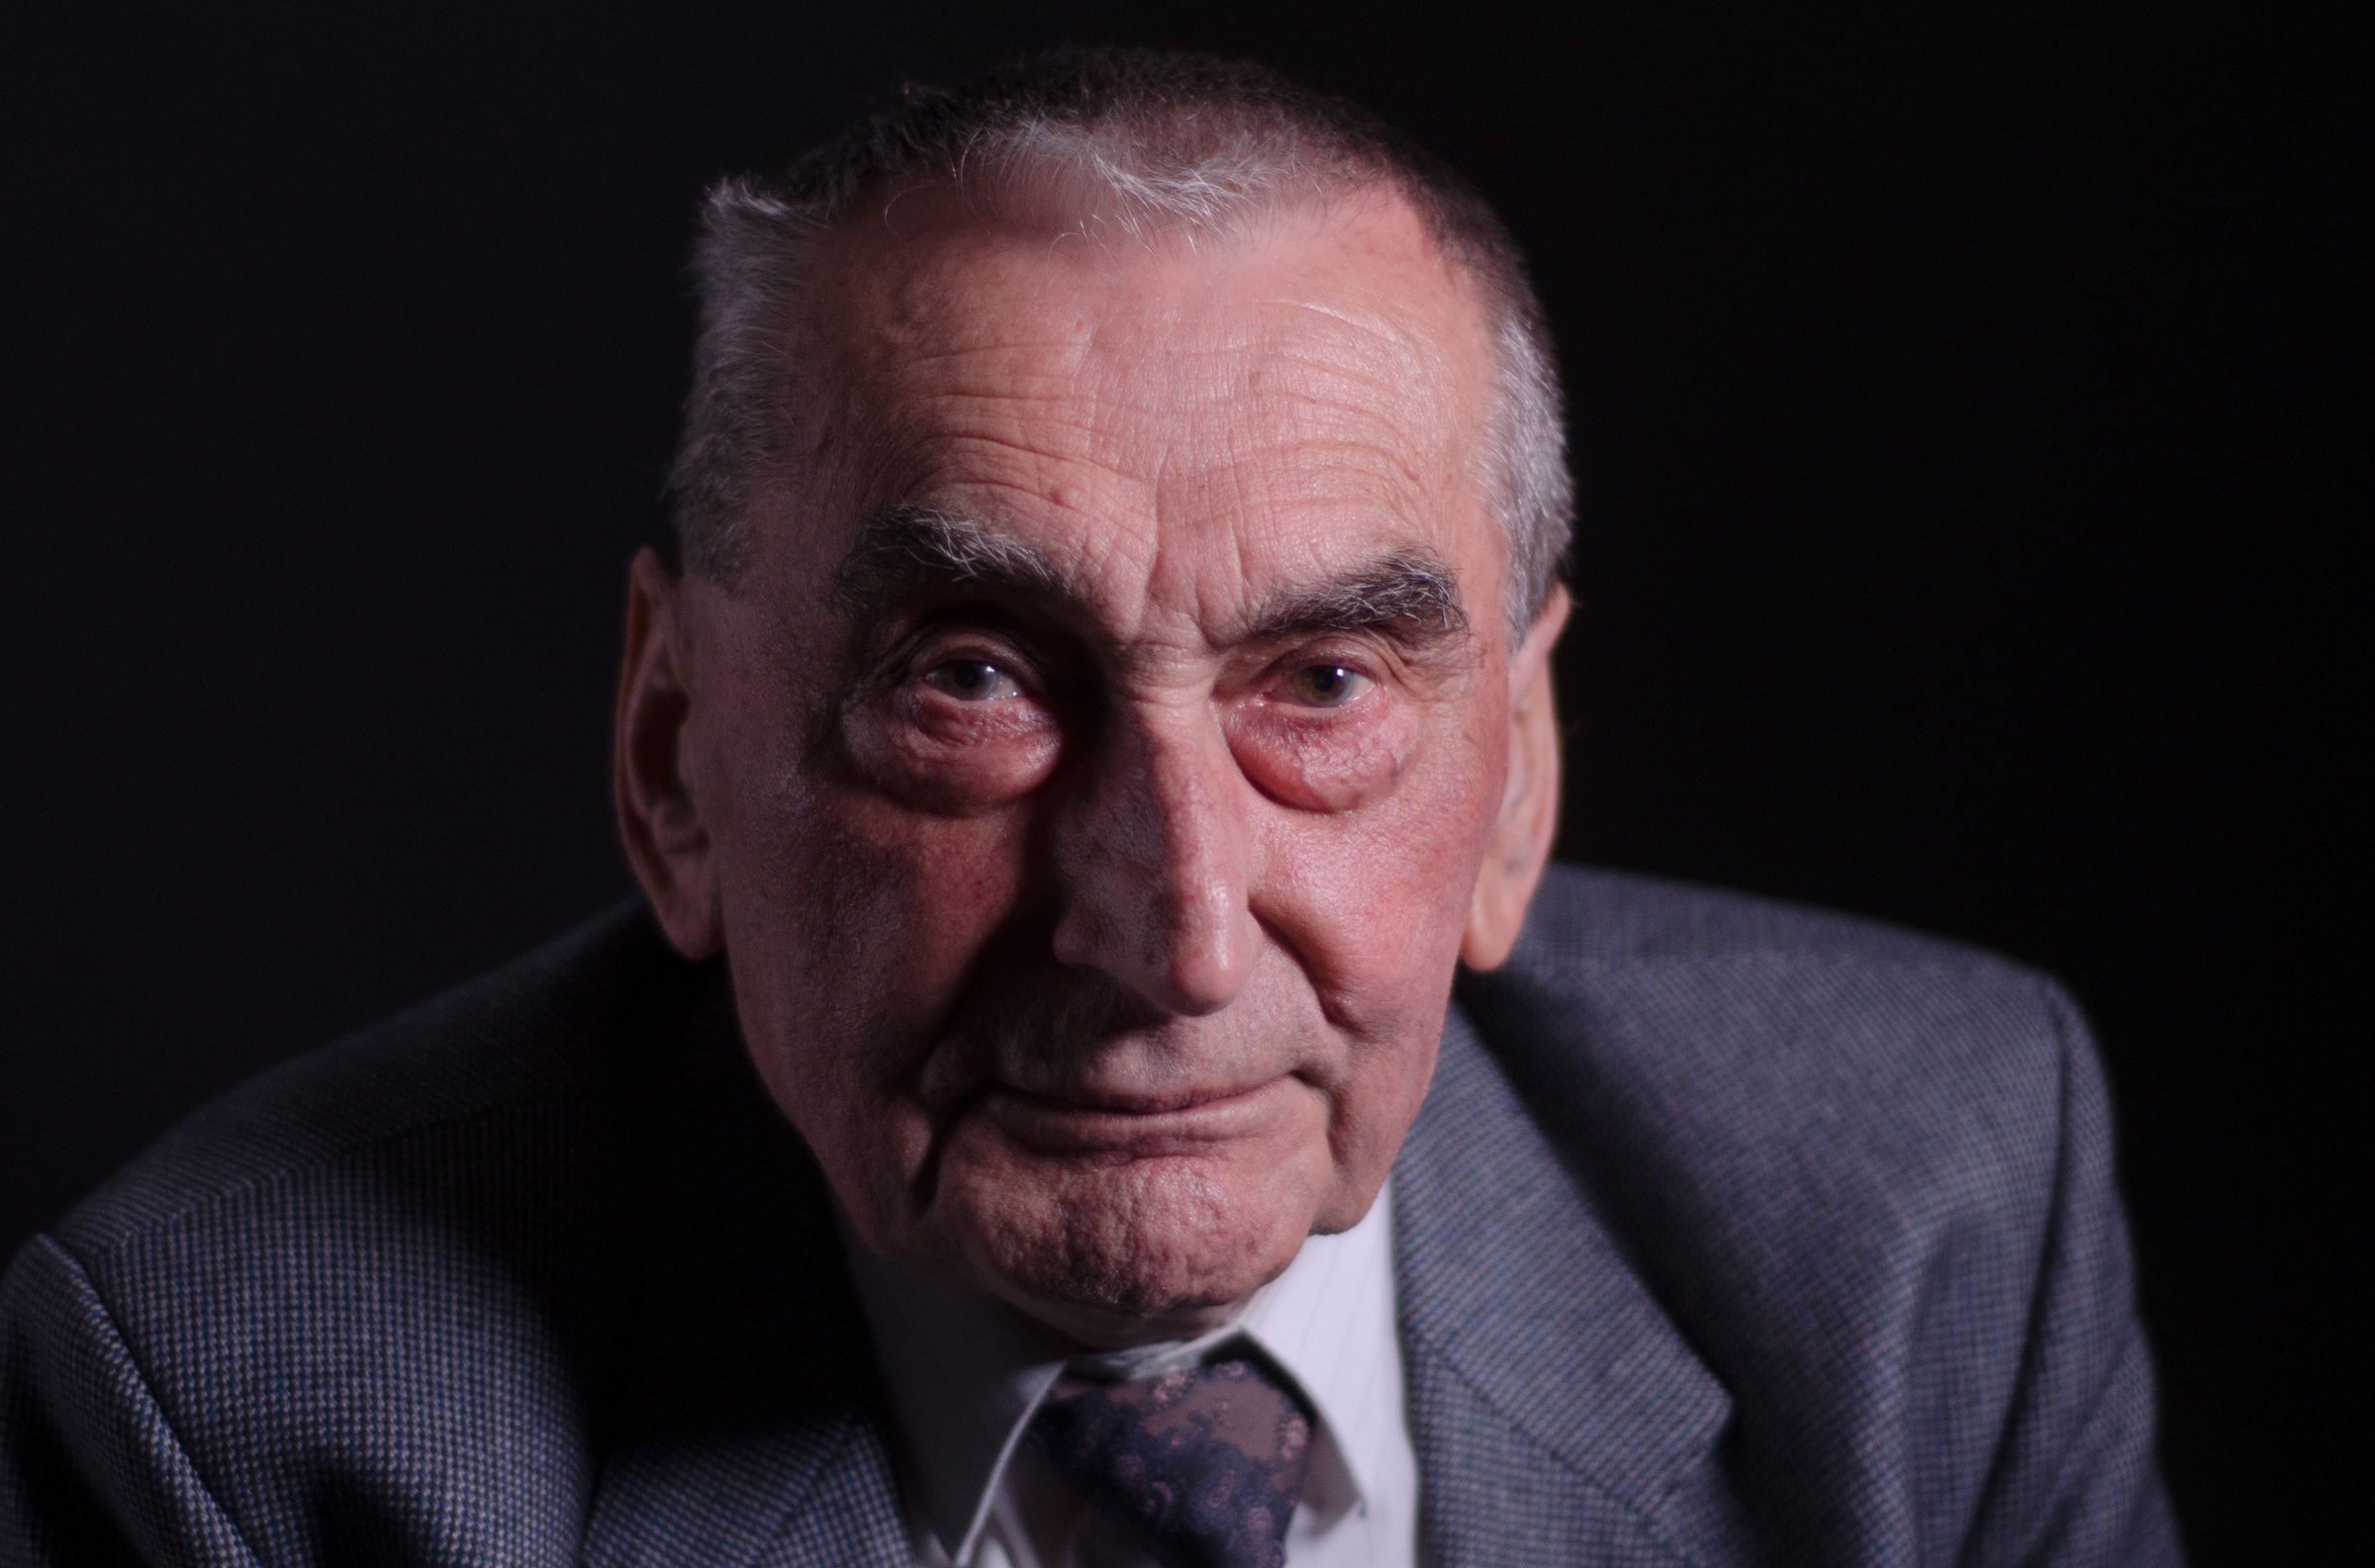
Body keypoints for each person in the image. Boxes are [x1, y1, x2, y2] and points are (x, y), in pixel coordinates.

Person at [0, 47, 2179, 1568]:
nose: (1172, 931)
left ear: (1515, 780)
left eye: (1322, 684)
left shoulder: (1928, 1217)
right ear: (674, 762)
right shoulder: (244, 1408)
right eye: (974, 677)